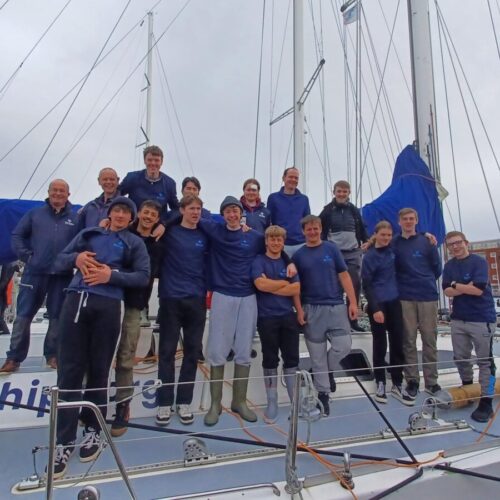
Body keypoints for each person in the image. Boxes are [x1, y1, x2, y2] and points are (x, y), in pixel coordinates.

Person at [50, 196, 149, 479]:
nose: (120, 215)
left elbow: (142, 276)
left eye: (125, 212)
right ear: (109, 213)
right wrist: (77, 258)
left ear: (131, 218)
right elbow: (59, 260)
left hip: (107, 305)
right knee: (69, 372)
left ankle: (94, 429)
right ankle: (64, 441)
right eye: (116, 210)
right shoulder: (89, 234)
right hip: (76, 301)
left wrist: (111, 275)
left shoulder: (134, 243)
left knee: (99, 370)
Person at [0, 179, 79, 374]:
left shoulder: (75, 218)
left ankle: (52, 355)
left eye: (62, 191)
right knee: (23, 317)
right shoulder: (34, 214)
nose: (58, 194)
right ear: (49, 192)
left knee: (57, 317)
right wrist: (27, 256)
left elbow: (81, 241)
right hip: (34, 273)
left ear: (68, 195)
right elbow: (17, 235)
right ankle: (14, 358)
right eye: (55, 190)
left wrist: (72, 259)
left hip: (61, 275)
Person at [200, 196, 265, 426]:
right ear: (223, 214)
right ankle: (215, 404)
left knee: (244, 349)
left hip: (248, 296)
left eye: (235, 211)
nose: (232, 215)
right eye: (227, 211)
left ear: (241, 213)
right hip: (222, 295)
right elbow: (188, 211)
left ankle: (239, 401)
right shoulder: (215, 231)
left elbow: (275, 248)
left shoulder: (255, 237)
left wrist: (289, 262)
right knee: (217, 348)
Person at [292, 215, 357, 416]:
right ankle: (323, 394)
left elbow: (344, 275)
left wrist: (353, 302)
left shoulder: (331, 249)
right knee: (317, 357)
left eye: (316, 228)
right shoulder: (299, 256)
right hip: (312, 308)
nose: (312, 232)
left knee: (343, 346)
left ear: (321, 229)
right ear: (303, 231)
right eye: (309, 229)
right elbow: (295, 287)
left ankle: (326, 372)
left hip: (336, 306)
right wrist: (299, 310)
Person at [110, 200, 163, 437]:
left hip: (135, 304)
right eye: (146, 212)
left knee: (126, 355)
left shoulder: (158, 242)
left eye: (153, 214)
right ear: (138, 214)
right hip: (110, 299)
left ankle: (123, 406)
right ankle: (93, 402)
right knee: (99, 353)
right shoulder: (120, 234)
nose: (148, 216)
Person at [155, 195, 208, 426]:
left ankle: (184, 401)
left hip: (196, 298)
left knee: (192, 352)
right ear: (182, 210)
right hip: (170, 298)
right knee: (166, 352)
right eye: (191, 209)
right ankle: (164, 402)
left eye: (198, 209)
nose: (195, 213)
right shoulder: (168, 232)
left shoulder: (205, 235)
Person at [443, 231, 497, 422]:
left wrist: (456, 284)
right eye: (450, 245)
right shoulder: (449, 266)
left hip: (481, 319)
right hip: (459, 319)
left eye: (458, 243)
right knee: (460, 357)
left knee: (485, 362)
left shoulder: (479, 262)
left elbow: (478, 290)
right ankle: (467, 386)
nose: (455, 247)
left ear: (466, 243)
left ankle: (486, 400)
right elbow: (447, 291)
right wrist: (463, 286)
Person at [252, 225, 304, 422]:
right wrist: (284, 284)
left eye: (279, 239)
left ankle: (295, 402)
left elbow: (296, 288)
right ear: (266, 241)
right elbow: (259, 284)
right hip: (266, 318)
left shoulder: (288, 263)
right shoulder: (258, 261)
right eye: (272, 239)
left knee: (292, 360)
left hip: (287, 317)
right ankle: (271, 402)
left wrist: (273, 286)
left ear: (283, 242)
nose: (276, 243)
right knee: (270, 360)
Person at [392, 208, 442, 401]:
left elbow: (436, 267)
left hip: (427, 295)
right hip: (405, 297)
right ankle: (412, 380)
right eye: (405, 219)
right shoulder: (394, 243)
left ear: (416, 220)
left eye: (411, 219)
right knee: (409, 340)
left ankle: (432, 382)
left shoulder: (427, 242)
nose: (408, 222)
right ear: (399, 221)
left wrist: (425, 280)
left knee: (430, 339)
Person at [361, 221, 412, 405]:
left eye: (389, 235)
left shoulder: (393, 249)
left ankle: (397, 383)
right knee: (380, 344)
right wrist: (374, 308)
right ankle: (380, 381)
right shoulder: (370, 256)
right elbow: (366, 284)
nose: (387, 238)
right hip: (379, 304)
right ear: (376, 234)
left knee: (397, 342)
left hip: (394, 301)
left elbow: (409, 235)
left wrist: (428, 236)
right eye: (383, 235)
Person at [319, 180, 368, 332]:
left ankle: (353, 321)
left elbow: (362, 228)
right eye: (339, 191)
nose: (341, 194)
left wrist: (366, 241)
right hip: (334, 253)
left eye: (344, 192)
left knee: (354, 287)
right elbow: (319, 229)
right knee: (335, 288)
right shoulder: (327, 210)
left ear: (349, 193)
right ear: (334, 192)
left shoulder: (354, 210)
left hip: (353, 252)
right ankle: (335, 321)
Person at [119, 145, 179, 231]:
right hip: (132, 228)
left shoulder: (169, 183)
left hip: (155, 232)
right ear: (144, 161)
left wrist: (164, 224)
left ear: (161, 162)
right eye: (150, 160)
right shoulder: (132, 177)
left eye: (156, 160)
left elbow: (176, 209)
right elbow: (116, 196)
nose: (153, 163)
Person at [267, 167, 310, 256]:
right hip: (281, 244)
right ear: (283, 178)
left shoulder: (304, 199)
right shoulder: (273, 198)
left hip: (301, 244)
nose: (293, 180)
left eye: (296, 178)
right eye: (290, 177)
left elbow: (307, 222)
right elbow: (269, 222)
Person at [0, 262, 18, 335]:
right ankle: (4, 330)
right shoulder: (10, 265)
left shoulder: (8, 265)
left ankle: (4, 330)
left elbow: (3, 283)